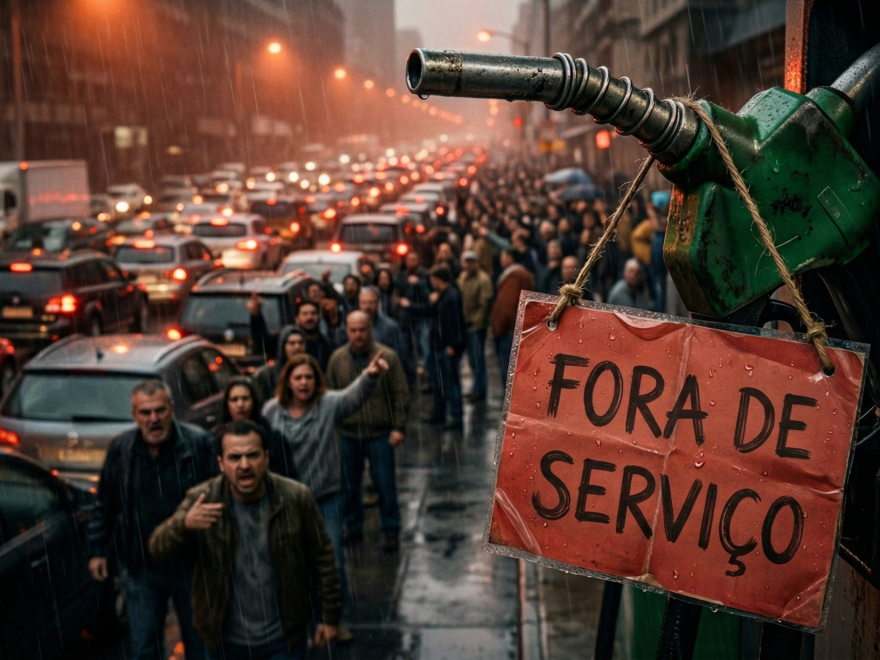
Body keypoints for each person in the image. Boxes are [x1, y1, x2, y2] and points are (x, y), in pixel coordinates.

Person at [148, 420, 340, 660]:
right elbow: (157, 547)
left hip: (283, 639)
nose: (245, 465)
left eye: (252, 455)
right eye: (234, 457)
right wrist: (183, 525)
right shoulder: (203, 499)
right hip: (225, 642)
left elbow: (322, 559)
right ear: (221, 463)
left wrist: (328, 617)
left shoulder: (295, 497)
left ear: (266, 457)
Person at [262, 351, 389, 642]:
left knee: (332, 560)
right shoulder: (271, 411)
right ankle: (301, 621)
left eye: (308, 377)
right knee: (291, 563)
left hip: (324, 498)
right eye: (298, 377)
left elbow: (352, 397)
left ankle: (334, 619)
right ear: (288, 381)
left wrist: (370, 374)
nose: (304, 383)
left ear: (316, 380)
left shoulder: (328, 405)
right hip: (285, 501)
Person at [88, 380, 216, 660]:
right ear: (135, 415)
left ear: (171, 409)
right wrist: (98, 550)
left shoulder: (198, 444)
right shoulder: (121, 449)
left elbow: (218, 500)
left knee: (200, 643)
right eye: (145, 413)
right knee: (144, 647)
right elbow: (106, 501)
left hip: (190, 565)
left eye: (160, 410)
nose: (153, 419)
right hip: (142, 566)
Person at [326, 310, 409, 551]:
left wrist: (399, 427)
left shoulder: (388, 358)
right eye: (353, 330)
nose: (358, 335)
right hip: (348, 434)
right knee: (348, 485)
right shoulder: (337, 359)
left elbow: (400, 393)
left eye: (362, 329)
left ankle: (391, 530)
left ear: (370, 329)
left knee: (385, 484)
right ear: (346, 331)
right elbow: (330, 396)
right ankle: (352, 528)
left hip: (379, 433)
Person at [425, 265, 466, 427]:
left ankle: (456, 417)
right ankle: (439, 413)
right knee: (439, 382)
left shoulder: (451, 296)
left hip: (446, 347)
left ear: (437, 280)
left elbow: (456, 322)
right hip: (439, 345)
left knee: (450, 382)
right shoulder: (444, 296)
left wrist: (453, 345)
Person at [491, 248, 535, 383]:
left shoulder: (515, 276)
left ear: (510, 258)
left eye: (503, 256)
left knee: (509, 372)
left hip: (509, 331)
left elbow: (507, 305)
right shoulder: (519, 274)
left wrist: (501, 327)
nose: (501, 259)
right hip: (512, 329)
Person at [359, 285, 415, 388]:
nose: (368, 306)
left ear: (378, 303)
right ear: (359, 304)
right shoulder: (352, 326)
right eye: (364, 302)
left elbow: (402, 356)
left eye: (371, 302)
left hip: (385, 380)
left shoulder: (390, 327)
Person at [457, 250, 493, 402]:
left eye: (472, 261)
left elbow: (485, 303)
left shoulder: (483, 279)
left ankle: (480, 390)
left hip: (476, 326)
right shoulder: (462, 278)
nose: (469, 265)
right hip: (464, 324)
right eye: (467, 261)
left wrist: (476, 321)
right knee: (472, 359)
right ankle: (475, 387)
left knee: (478, 359)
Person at [251, 325, 306, 404]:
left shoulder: (311, 373)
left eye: (301, 343)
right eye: (292, 343)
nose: (297, 347)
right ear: (283, 346)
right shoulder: (265, 375)